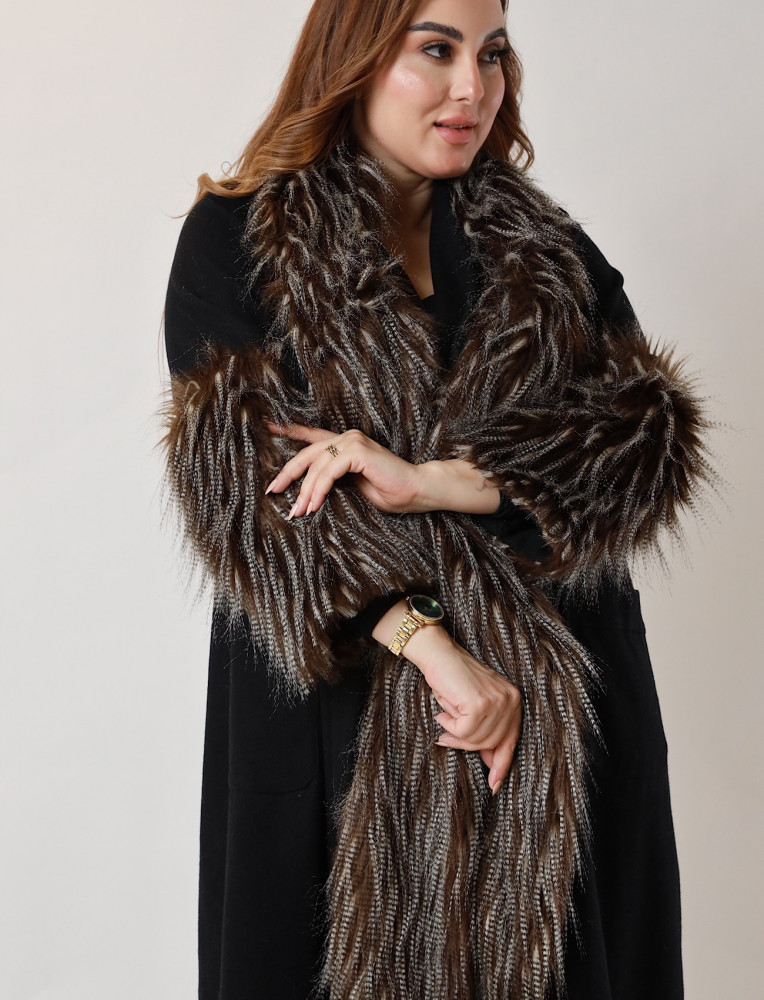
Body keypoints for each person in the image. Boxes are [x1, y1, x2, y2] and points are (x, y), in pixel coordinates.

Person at [159, 1, 712, 998]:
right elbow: (248, 489)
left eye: (491, 54)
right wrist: (431, 647)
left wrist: (441, 481)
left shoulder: (546, 252)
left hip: (557, 730)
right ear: (356, 57)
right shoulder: (242, 238)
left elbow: (644, 437)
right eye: (436, 50)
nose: (473, 87)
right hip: (339, 716)